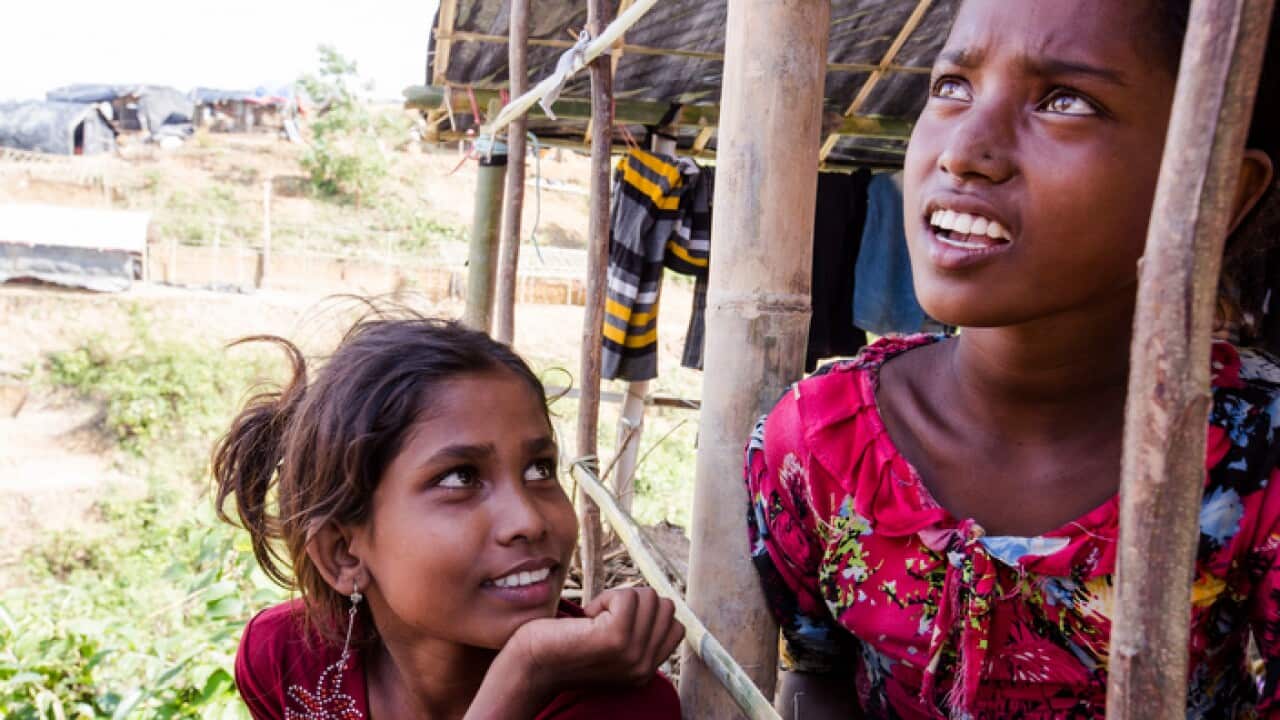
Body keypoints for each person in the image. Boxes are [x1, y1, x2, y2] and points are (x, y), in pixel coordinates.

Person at [745, 0, 1280, 717]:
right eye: (953, 86)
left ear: (1216, 194)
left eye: (1066, 101)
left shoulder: (1258, 464)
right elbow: (817, 675)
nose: (963, 150)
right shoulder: (818, 441)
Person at [213, 313, 683, 719]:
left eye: (540, 468)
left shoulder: (620, 709)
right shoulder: (288, 660)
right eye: (460, 478)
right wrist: (523, 672)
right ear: (342, 555)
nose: (529, 520)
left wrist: (531, 669)